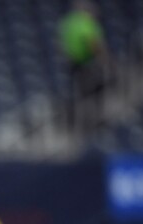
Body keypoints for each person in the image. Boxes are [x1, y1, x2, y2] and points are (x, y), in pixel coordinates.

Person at [59, 0, 109, 132]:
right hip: (87, 63)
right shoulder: (87, 23)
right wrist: (105, 60)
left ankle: (78, 122)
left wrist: (68, 56)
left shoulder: (68, 22)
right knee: (93, 92)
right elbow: (94, 44)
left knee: (79, 94)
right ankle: (94, 120)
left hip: (72, 63)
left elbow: (61, 43)